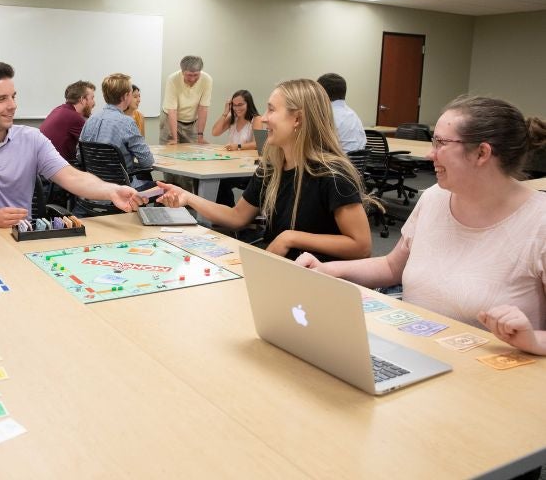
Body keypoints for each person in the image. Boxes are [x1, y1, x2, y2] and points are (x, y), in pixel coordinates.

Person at [296, 96, 546, 355]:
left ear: (482, 153)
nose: (430, 154)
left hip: (490, 382)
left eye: (441, 143)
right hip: (414, 354)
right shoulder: (434, 198)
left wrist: (534, 341)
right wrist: (327, 270)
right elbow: (391, 266)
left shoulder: (539, 222)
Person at [158, 79, 372, 261]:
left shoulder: (332, 174)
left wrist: (291, 237)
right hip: (279, 270)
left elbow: (361, 246)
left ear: (297, 119)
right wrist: (187, 198)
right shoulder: (272, 167)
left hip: (317, 281)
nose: (265, 118)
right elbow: (237, 217)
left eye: (272, 109)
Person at [0, 61, 144, 227]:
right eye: (2, 99)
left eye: (13, 96)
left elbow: (72, 176)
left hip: (21, 238)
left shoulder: (31, 138)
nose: (13, 106)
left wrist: (112, 191)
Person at [79, 73, 155, 189]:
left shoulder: (91, 120)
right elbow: (147, 162)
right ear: (125, 96)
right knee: (170, 186)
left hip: (94, 188)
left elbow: (80, 156)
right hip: (122, 190)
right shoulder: (127, 123)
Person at [211, 89, 264, 206]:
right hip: (231, 164)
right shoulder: (232, 117)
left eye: (240, 105)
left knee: (221, 181)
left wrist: (238, 146)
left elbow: (259, 144)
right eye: (234, 105)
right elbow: (215, 132)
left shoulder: (256, 119)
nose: (237, 108)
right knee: (213, 178)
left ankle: (228, 212)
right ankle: (224, 211)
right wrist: (225, 112)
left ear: (248, 104)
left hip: (246, 168)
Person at [160, 55, 212, 146]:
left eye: (196, 75)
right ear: (182, 72)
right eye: (189, 75)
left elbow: (203, 108)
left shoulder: (207, 80)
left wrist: (200, 136)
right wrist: (174, 139)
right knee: (170, 150)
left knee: (192, 152)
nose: (192, 79)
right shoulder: (172, 79)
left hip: (192, 122)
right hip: (170, 120)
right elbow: (172, 110)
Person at [39, 80, 95, 162]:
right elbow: (92, 147)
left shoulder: (59, 109)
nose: (94, 103)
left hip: (43, 167)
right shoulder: (75, 118)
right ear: (82, 99)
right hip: (56, 168)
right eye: (92, 98)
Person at [317, 73, 366, 153]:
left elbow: (316, 147)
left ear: (321, 93)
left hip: (338, 163)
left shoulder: (328, 116)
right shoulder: (353, 115)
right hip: (358, 164)